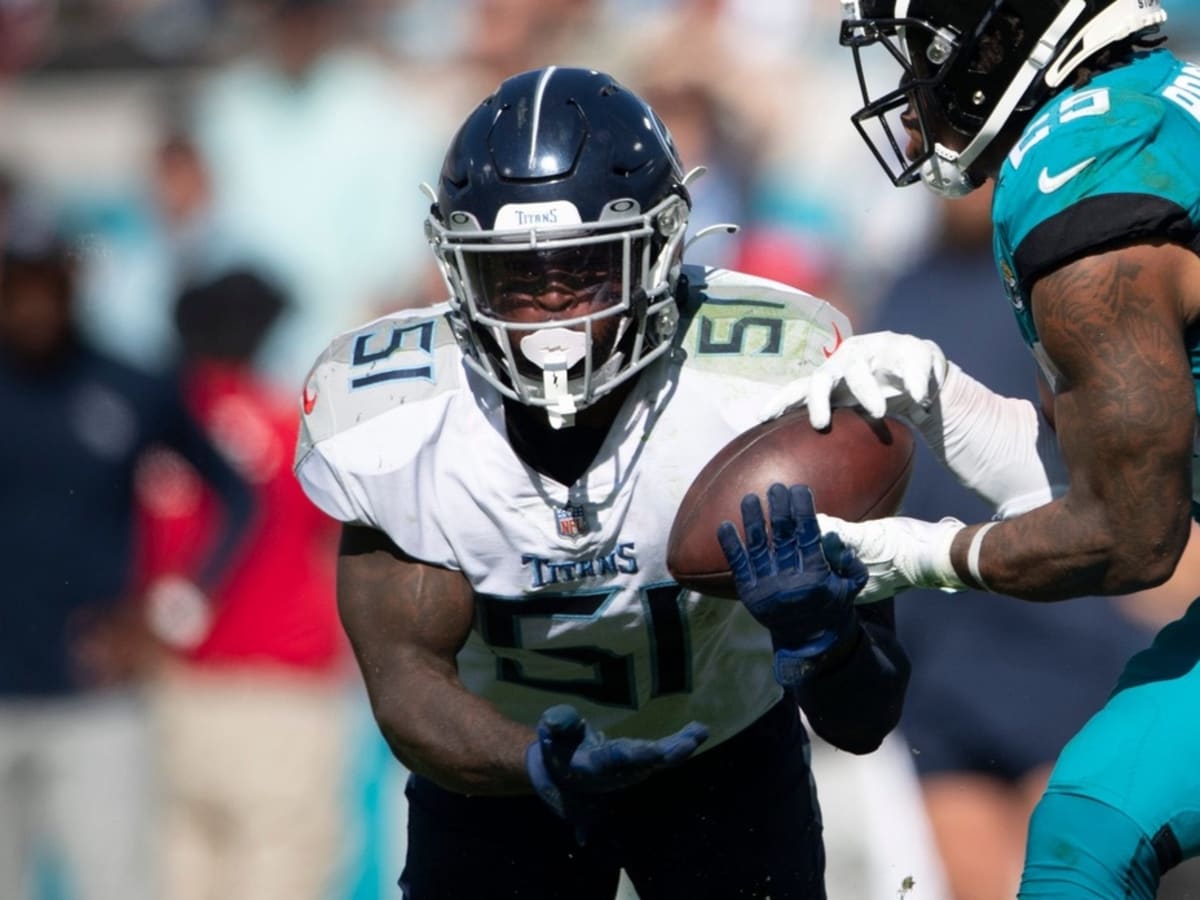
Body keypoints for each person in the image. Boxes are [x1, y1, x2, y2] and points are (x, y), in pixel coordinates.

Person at [293, 65, 911, 900]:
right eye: (518, 280)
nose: (555, 318)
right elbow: (405, 690)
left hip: (723, 758)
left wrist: (826, 639)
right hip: (501, 778)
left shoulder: (776, 378)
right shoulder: (393, 415)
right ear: (458, 271)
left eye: (583, 272)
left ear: (661, 252)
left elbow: (865, 718)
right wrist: (531, 761)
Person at [762, 2, 1200, 897]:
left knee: (1088, 835)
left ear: (1004, 33)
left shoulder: (1083, 174)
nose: (911, 88)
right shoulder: (1149, 104)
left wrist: (927, 554)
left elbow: (1135, 536)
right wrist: (948, 402)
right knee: (1087, 829)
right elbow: (1117, 470)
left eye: (923, 50)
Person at [0, 192, 253, 900]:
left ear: (72, 282)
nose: (31, 302)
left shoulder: (130, 384)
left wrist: (170, 608)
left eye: (45, 280)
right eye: (16, 282)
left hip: (97, 705)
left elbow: (233, 493)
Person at [135, 269, 347, 900]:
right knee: (282, 864)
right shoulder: (292, 431)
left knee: (179, 867)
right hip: (281, 695)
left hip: (171, 692)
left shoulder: (150, 432)